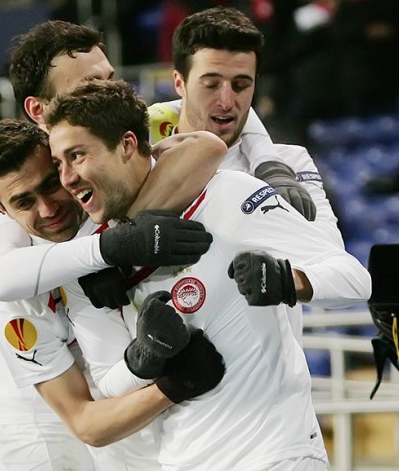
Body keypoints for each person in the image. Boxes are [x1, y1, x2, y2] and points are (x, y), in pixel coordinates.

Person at [45, 78, 372, 470]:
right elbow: (109, 385)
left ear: (128, 145)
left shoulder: (229, 194)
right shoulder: (93, 262)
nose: (66, 178)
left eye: (77, 156)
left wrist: (289, 281)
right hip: (183, 461)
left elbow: (356, 280)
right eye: (59, 164)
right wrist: (145, 356)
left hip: (276, 453)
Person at [0, 19, 229, 470]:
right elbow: (2, 279)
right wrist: (107, 250)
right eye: (89, 84)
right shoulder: (9, 184)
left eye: (109, 77)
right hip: (40, 417)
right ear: (38, 110)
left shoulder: (112, 133)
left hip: (122, 397)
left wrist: (118, 234)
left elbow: (209, 139)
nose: (108, 90)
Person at [146, 6, 371, 341]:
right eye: (211, 84)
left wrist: (287, 279)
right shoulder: (140, 160)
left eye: (241, 85)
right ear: (179, 82)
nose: (226, 101)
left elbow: (348, 279)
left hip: (266, 372)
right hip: (158, 368)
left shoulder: (290, 164)